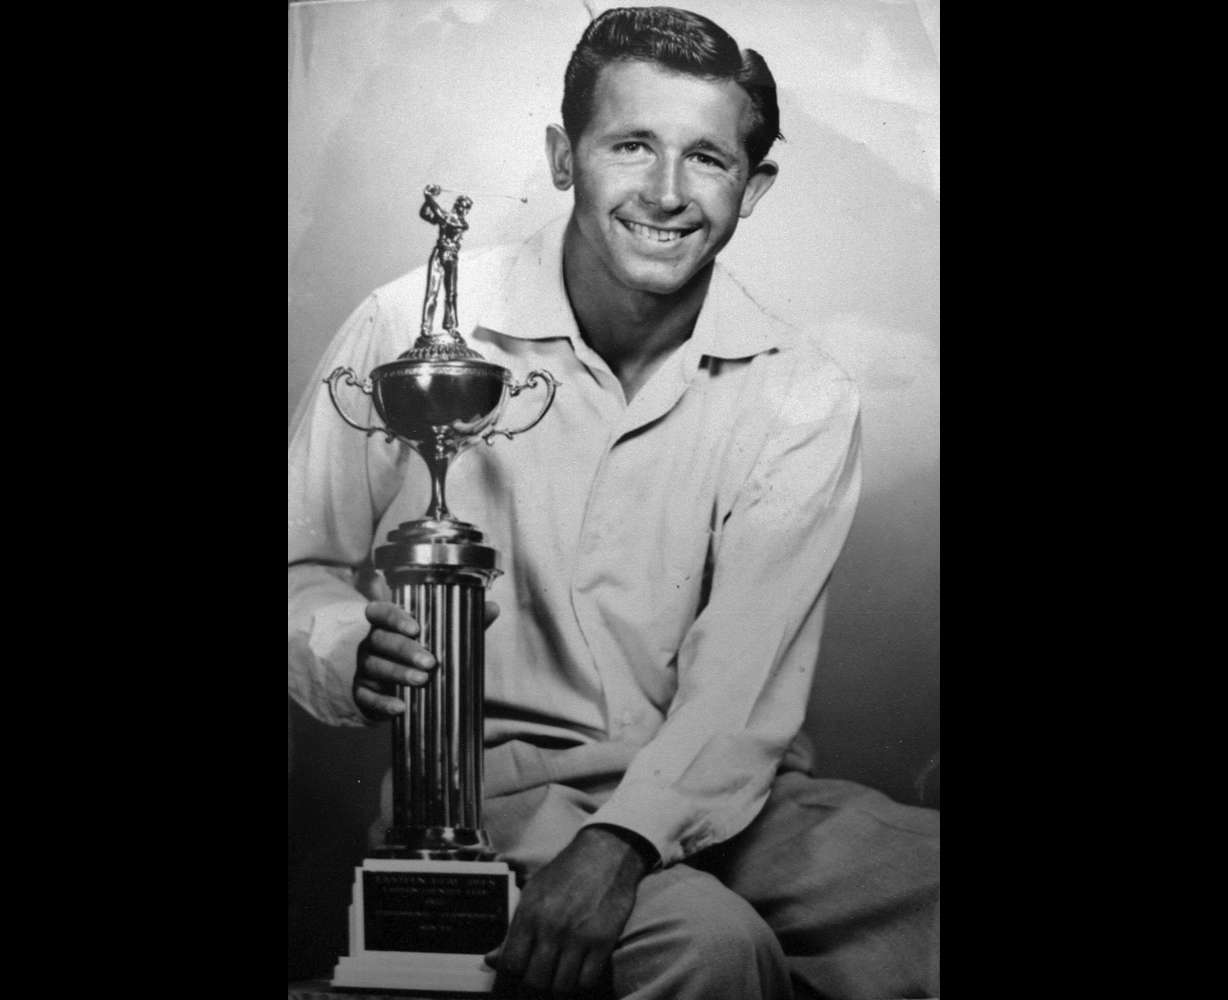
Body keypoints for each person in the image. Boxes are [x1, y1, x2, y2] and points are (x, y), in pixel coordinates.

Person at [288, 7, 939, 999]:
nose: (668, 194)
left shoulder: (801, 389)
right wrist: (345, 646)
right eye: (631, 145)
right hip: (505, 799)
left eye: (708, 159)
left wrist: (627, 840)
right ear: (563, 157)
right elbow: (302, 566)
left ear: (753, 188)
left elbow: (741, 681)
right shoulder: (414, 329)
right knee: (710, 948)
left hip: (741, 793)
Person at [418, 184, 472, 339]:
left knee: (451, 293)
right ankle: (426, 327)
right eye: (465, 207)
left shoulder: (461, 223)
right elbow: (425, 214)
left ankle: (451, 325)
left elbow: (440, 215)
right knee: (431, 292)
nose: (466, 211)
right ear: (459, 206)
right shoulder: (447, 217)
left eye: (467, 209)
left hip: (451, 257)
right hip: (438, 254)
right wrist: (428, 200)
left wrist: (429, 196)